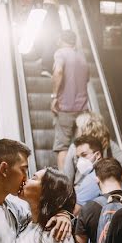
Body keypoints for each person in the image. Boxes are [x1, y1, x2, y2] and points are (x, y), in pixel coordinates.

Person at [51, 30, 90, 170]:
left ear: (61, 39)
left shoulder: (60, 53)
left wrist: (54, 96)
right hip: (82, 109)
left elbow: (59, 72)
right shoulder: (81, 56)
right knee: (82, 145)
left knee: (63, 146)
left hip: (65, 108)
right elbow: (87, 78)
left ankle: (64, 181)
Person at [63, 112, 122, 185]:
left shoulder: (75, 147)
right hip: (105, 191)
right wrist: (115, 184)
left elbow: (67, 177)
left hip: (81, 190)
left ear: (85, 127)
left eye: (78, 127)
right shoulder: (107, 142)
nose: (77, 131)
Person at [22, 0, 62, 76]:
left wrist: (24, 6)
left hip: (38, 6)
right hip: (51, 7)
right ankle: (45, 66)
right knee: (52, 36)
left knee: (40, 33)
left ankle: (38, 56)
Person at [71, 134, 104, 206]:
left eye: (84, 155)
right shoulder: (108, 171)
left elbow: (74, 211)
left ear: (97, 155)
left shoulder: (95, 177)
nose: (80, 160)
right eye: (78, 157)